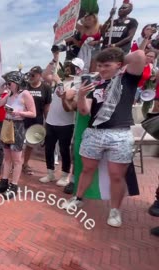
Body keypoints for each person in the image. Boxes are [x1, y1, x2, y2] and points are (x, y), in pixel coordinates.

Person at [62, 48, 146, 228]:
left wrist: (118, 60)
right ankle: (78, 198)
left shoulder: (128, 78)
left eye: (106, 65)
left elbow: (139, 55)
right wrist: (82, 96)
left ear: (119, 64)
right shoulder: (95, 85)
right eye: (99, 65)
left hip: (119, 134)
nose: (102, 69)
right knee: (87, 169)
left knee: (117, 175)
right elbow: (85, 111)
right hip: (94, 132)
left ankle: (115, 210)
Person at [39, 52, 83, 187]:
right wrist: (54, 59)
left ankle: (65, 175)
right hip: (51, 121)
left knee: (64, 150)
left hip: (66, 124)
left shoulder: (78, 84)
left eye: (72, 66)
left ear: (78, 69)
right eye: (68, 65)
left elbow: (68, 96)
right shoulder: (62, 81)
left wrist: (58, 82)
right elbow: (45, 75)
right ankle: (50, 172)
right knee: (49, 148)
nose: (68, 68)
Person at [0, 71, 36, 199]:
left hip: (18, 126)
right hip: (7, 124)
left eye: (10, 83)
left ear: (17, 82)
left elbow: (33, 113)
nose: (8, 85)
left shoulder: (25, 94)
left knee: (16, 159)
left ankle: (14, 185)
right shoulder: (9, 94)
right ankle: (4, 182)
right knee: (7, 157)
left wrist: (19, 112)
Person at [22, 66, 52, 175]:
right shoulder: (25, 86)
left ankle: (25, 163)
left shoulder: (46, 88)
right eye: (30, 74)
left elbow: (47, 106)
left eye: (33, 74)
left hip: (37, 120)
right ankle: (15, 163)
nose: (31, 76)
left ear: (40, 75)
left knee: (30, 144)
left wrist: (47, 122)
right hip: (22, 119)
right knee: (18, 144)